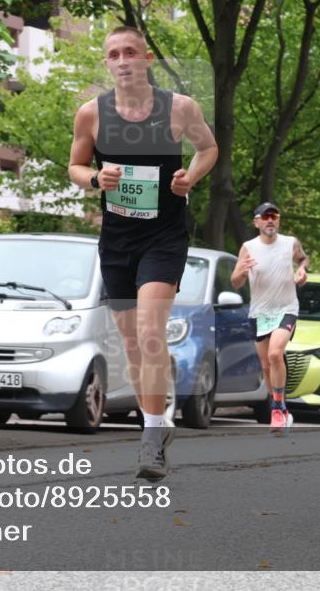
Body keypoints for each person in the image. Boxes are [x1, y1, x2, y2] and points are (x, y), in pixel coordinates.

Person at [68, 26, 218, 480]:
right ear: (107, 63)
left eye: (130, 52)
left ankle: (152, 436)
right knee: (133, 342)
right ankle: (157, 421)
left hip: (164, 238)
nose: (122, 60)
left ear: (147, 58)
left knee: (152, 330)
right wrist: (95, 180)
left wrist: (189, 178)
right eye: (113, 54)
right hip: (117, 242)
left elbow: (208, 148)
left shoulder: (179, 108)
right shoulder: (91, 114)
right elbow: (75, 165)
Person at [231, 202, 309, 434]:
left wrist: (302, 270)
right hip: (260, 312)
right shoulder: (248, 248)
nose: (270, 220)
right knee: (266, 365)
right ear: (256, 222)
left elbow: (303, 259)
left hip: (286, 308)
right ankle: (282, 407)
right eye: (265, 217)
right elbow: (236, 283)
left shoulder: (290, 243)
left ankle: (276, 408)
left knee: (276, 353)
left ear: (278, 220)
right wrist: (241, 272)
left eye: (274, 216)